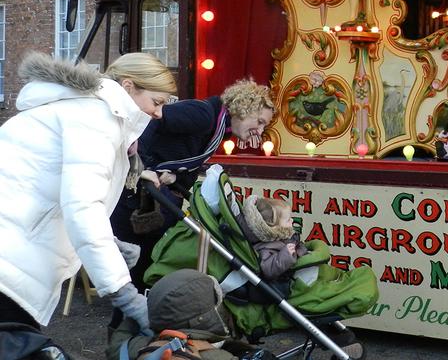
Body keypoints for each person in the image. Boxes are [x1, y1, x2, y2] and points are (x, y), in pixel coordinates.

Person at [0, 51, 176, 341]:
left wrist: (111, 243)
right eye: (156, 102)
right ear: (129, 86)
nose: (159, 113)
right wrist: (125, 294)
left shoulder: (83, 110)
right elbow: (83, 207)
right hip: (11, 264)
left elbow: (53, 196)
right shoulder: (97, 118)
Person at [111, 78, 275, 290]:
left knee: (147, 260)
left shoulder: (217, 128)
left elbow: (180, 154)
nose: (260, 131)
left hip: (154, 193)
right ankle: (132, 314)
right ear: (245, 107)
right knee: (142, 260)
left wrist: (175, 177)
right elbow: (151, 121)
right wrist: (143, 167)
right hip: (136, 190)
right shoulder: (204, 115)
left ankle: (137, 312)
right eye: (260, 122)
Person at [107, 269, 273, 360]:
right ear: (202, 318)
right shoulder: (215, 355)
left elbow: (118, 339)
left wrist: (142, 311)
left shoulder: (131, 346)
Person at [242, 196, 315, 283]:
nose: (292, 220)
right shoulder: (265, 247)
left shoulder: (283, 236)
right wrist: (285, 255)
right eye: (288, 220)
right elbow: (268, 269)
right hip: (287, 280)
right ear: (274, 227)